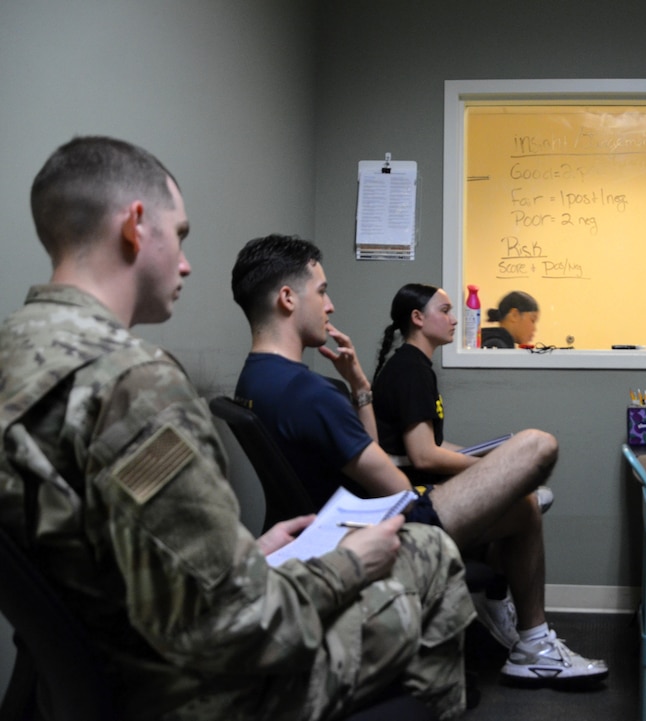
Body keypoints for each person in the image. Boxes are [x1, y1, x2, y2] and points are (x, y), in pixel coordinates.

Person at [0, 137, 475, 720]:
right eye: (179, 235)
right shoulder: (132, 383)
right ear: (135, 225)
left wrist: (248, 550)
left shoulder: (13, 355)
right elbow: (241, 623)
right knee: (427, 550)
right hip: (194, 689)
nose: (185, 262)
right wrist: (352, 561)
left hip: (87, 675)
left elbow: (107, 547)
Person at [231, 241, 607, 686]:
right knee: (535, 447)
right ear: (288, 299)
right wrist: (486, 480)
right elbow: (398, 490)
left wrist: (359, 387)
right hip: (392, 523)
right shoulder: (306, 393)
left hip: (349, 514)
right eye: (322, 291)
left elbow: (364, 450)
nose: (330, 305)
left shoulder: (257, 377)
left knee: (520, 502)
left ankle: (521, 635)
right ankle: (532, 646)